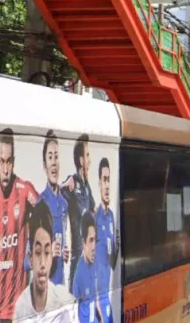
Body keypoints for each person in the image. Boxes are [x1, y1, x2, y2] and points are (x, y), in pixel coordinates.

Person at [0, 128, 39, 322]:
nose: (5, 169)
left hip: (20, 311)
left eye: (9, 162)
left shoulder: (24, 190)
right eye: (2, 161)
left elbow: (44, 212)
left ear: (14, 162)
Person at [14, 200, 77, 322]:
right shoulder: (21, 308)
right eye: (38, 253)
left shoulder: (62, 301)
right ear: (30, 256)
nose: (42, 263)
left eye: (47, 252)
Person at [30, 131, 71, 287]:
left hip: (60, 289)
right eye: (50, 157)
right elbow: (28, 261)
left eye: (56, 156)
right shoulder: (40, 205)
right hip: (45, 292)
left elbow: (62, 239)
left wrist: (65, 254)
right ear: (45, 166)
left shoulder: (64, 204)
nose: (54, 162)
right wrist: (48, 254)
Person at [62, 134, 95, 291]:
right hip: (76, 259)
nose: (89, 160)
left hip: (87, 259)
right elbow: (57, 194)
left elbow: (94, 211)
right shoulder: (72, 181)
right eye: (87, 155)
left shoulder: (87, 186)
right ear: (81, 160)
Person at [95, 158, 119, 323]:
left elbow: (113, 259)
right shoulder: (94, 218)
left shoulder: (111, 216)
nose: (107, 185)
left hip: (107, 295)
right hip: (96, 299)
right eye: (104, 180)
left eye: (109, 179)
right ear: (99, 183)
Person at [72, 212, 101, 323]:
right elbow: (74, 314)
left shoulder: (94, 265)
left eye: (95, 240)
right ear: (83, 243)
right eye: (90, 240)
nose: (94, 247)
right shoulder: (78, 276)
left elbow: (95, 297)